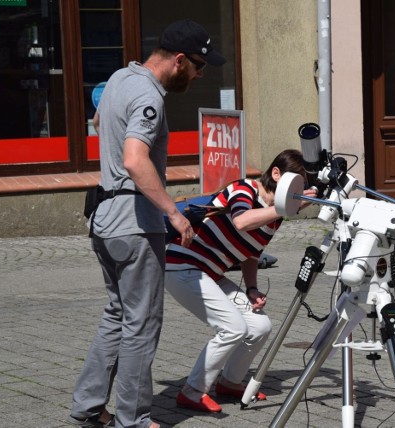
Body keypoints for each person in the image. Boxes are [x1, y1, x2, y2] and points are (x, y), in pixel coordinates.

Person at [69, 20, 225, 428]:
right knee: (141, 324)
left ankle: (88, 406)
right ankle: (133, 419)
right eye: (198, 66)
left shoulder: (122, 77)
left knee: (117, 315)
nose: (200, 74)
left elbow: (102, 124)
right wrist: (173, 213)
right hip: (135, 225)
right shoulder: (148, 96)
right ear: (178, 61)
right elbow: (135, 159)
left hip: (104, 220)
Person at [164, 149, 317, 413]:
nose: (298, 192)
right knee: (233, 327)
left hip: (210, 273)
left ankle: (229, 382)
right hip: (181, 266)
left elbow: (251, 254)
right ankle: (192, 391)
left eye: (301, 187)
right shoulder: (244, 189)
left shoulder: (273, 216)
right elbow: (242, 222)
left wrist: (252, 288)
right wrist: (283, 208)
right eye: (295, 184)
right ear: (276, 174)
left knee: (259, 326)